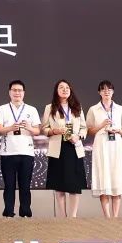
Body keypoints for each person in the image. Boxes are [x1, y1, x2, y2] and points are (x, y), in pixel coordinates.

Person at [0, 80, 41, 217]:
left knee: (25, 185)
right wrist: (10, 128)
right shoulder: (2, 109)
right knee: (9, 185)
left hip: (27, 153)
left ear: (24, 93)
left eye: (19, 90)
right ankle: (8, 212)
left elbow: (37, 131)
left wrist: (29, 127)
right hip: (7, 153)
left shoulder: (31, 109)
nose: (17, 93)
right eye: (14, 90)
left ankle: (25, 212)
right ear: (9, 92)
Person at [86, 81, 122, 218]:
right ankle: (107, 217)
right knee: (103, 177)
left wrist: (118, 130)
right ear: (99, 92)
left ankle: (115, 217)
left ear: (113, 92)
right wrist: (101, 125)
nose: (106, 92)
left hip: (116, 145)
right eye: (103, 89)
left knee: (116, 177)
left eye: (109, 89)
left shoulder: (119, 108)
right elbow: (89, 130)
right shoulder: (93, 109)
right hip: (101, 145)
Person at [41, 79, 87, 218]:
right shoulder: (50, 108)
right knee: (59, 185)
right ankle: (62, 217)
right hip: (58, 149)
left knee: (74, 186)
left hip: (74, 148)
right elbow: (44, 128)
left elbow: (84, 128)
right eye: (61, 87)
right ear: (56, 91)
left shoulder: (77, 107)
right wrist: (54, 131)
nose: (65, 90)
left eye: (67, 87)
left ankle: (72, 217)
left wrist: (78, 136)